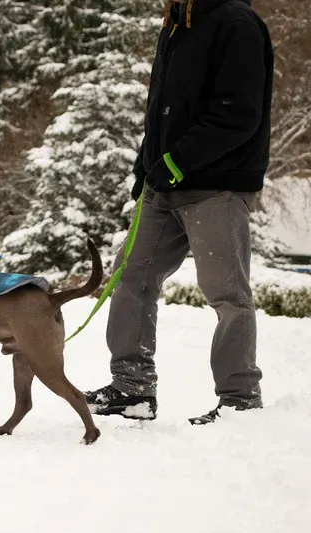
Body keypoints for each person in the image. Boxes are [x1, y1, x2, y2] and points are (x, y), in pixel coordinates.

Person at [85, 0, 274, 424]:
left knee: (227, 294)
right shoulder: (176, 23)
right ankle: (132, 388)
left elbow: (238, 114)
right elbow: (161, 113)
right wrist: (145, 168)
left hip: (216, 186)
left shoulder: (235, 23)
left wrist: (174, 163)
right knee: (131, 278)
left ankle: (240, 400)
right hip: (163, 185)